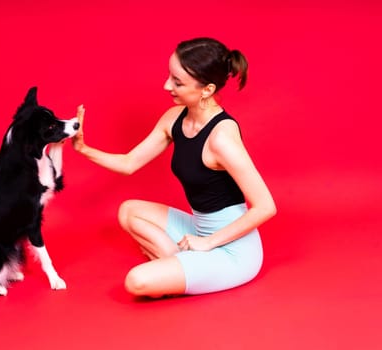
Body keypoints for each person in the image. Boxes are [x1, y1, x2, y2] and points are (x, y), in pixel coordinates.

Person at [71, 37, 276, 298]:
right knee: (128, 211)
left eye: (178, 82)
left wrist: (208, 243)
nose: (167, 85)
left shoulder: (222, 138)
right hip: (199, 229)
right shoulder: (174, 118)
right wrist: (84, 149)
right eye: (170, 75)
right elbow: (129, 163)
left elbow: (266, 206)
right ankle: (180, 262)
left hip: (234, 250)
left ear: (207, 89)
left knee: (136, 281)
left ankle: (186, 266)